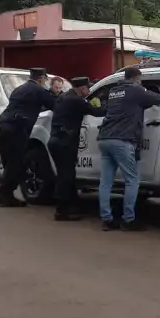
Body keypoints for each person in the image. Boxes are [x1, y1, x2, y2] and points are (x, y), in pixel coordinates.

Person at [96, 66, 160, 231]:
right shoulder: (136, 89)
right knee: (132, 180)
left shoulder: (114, 91)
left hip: (105, 139)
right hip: (122, 139)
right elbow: (158, 98)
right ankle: (129, 219)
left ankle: (107, 219)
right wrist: (146, 89)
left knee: (105, 182)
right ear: (137, 79)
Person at [0, 68, 57, 208]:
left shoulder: (19, 89)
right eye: (45, 79)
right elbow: (54, 105)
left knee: (10, 162)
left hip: (4, 125)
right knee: (16, 163)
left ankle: (4, 195)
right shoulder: (39, 90)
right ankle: (3, 196)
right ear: (40, 78)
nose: (45, 82)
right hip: (18, 128)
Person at [48, 77, 105, 221]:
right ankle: (61, 211)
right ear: (82, 88)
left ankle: (72, 206)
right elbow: (97, 112)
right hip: (65, 143)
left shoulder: (64, 97)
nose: (89, 91)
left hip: (57, 140)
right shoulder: (76, 101)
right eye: (88, 88)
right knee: (65, 177)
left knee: (67, 175)